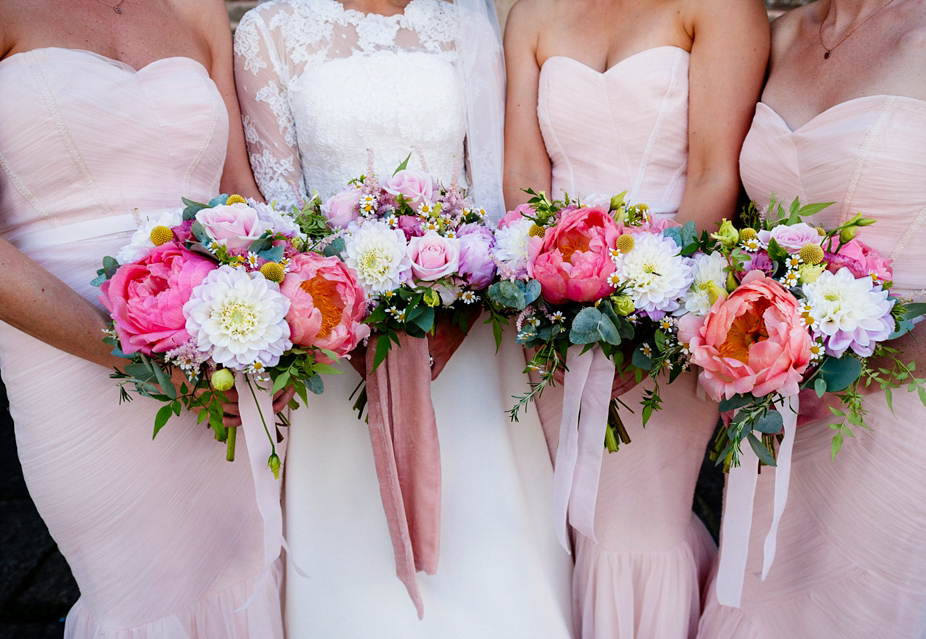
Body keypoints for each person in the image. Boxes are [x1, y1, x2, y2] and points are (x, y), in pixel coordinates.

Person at [234, 0, 574, 636]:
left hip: (462, 327)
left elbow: (493, 189)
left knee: (490, 530)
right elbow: (275, 207)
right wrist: (337, 318)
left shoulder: (466, 21)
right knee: (352, 543)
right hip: (335, 341)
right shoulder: (268, 30)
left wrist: (461, 304)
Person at [0, 0, 291, 636]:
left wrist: (282, 321)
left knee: (248, 565)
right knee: (143, 593)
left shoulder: (197, 8)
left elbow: (240, 195)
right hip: (69, 351)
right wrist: (135, 352)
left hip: (220, 343)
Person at [501, 0, 768, 636]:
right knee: (561, 522)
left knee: (631, 531)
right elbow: (522, 172)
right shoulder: (533, 13)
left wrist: (637, 311)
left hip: (665, 314)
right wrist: (553, 295)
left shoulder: (721, 9)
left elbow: (713, 177)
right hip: (549, 313)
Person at [696, 0, 926, 637]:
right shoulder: (785, 32)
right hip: (774, 400)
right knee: (746, 608)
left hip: (913, 402)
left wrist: (849, 377)